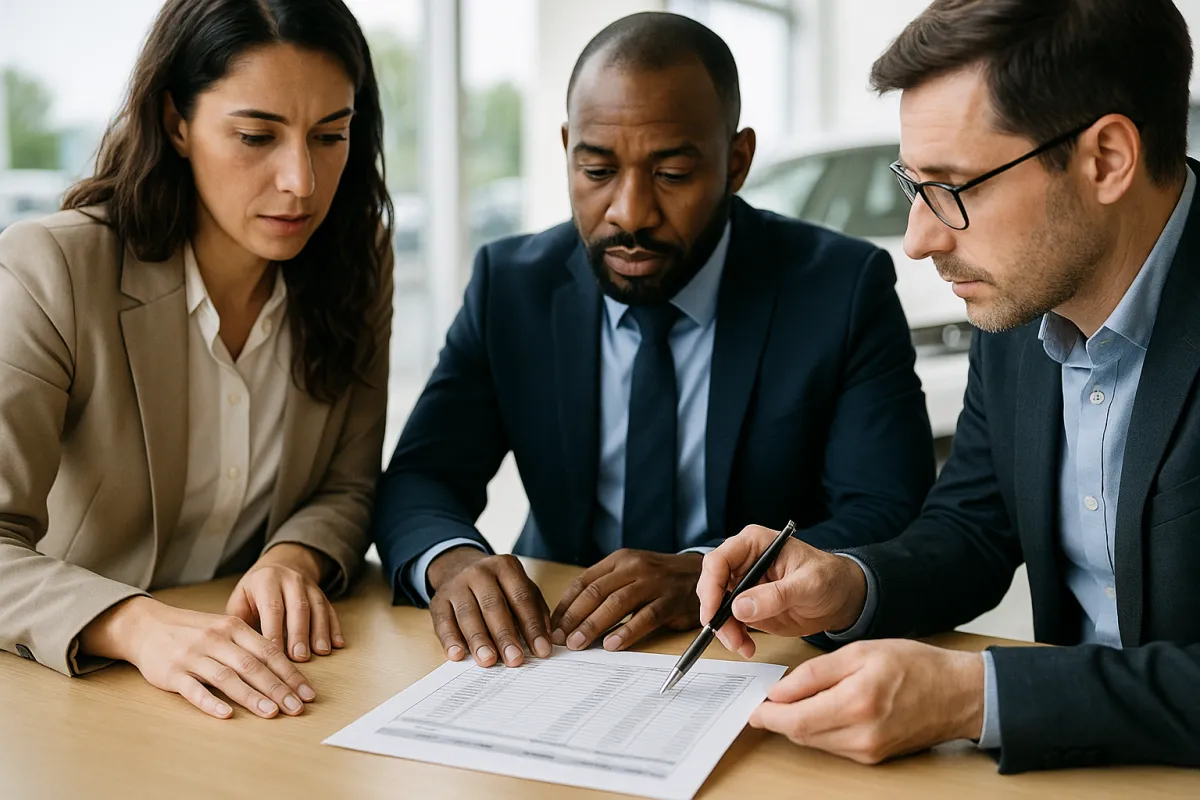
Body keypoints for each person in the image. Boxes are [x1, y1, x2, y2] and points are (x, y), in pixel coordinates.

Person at [697, 0, 1200, 774]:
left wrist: (976, 695)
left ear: (1106, 159)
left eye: (954, 187)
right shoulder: (1022, 306)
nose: (920, 238)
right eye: (914, 184)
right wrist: (849, 585)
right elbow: (972, 527)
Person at [372, 12, 934, 671]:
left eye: (670, 174)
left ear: (737, 162)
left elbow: (889, 512)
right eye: (597, 170)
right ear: (567, 150)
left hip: (755, 656)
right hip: (553, 652)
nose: (629, 212)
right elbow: (421, 476)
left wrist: (707, 572)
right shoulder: (511, 287)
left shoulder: (839, 288)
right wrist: (454, 560)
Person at [0, 0, 393, 721]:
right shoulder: (51, 268)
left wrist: (292, 559)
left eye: (330, 136)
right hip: (78, 694)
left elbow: (348, 485)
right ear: (176, 122)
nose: (301, 182)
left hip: (268, 680)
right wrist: (133, 624)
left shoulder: (356, 261)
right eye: (255, 136)